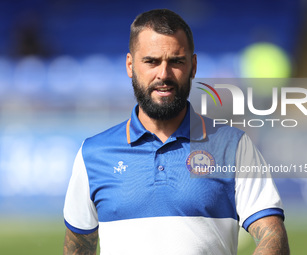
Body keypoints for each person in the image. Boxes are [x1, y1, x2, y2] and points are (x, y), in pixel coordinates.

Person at [63, 9, 289, 255]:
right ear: (130, 65)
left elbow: (272, 234)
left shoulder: (234, 147)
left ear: (193, 66)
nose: (163, 74)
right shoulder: (93, 154)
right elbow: (78, 248)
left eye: (176, 61)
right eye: (151, 61)